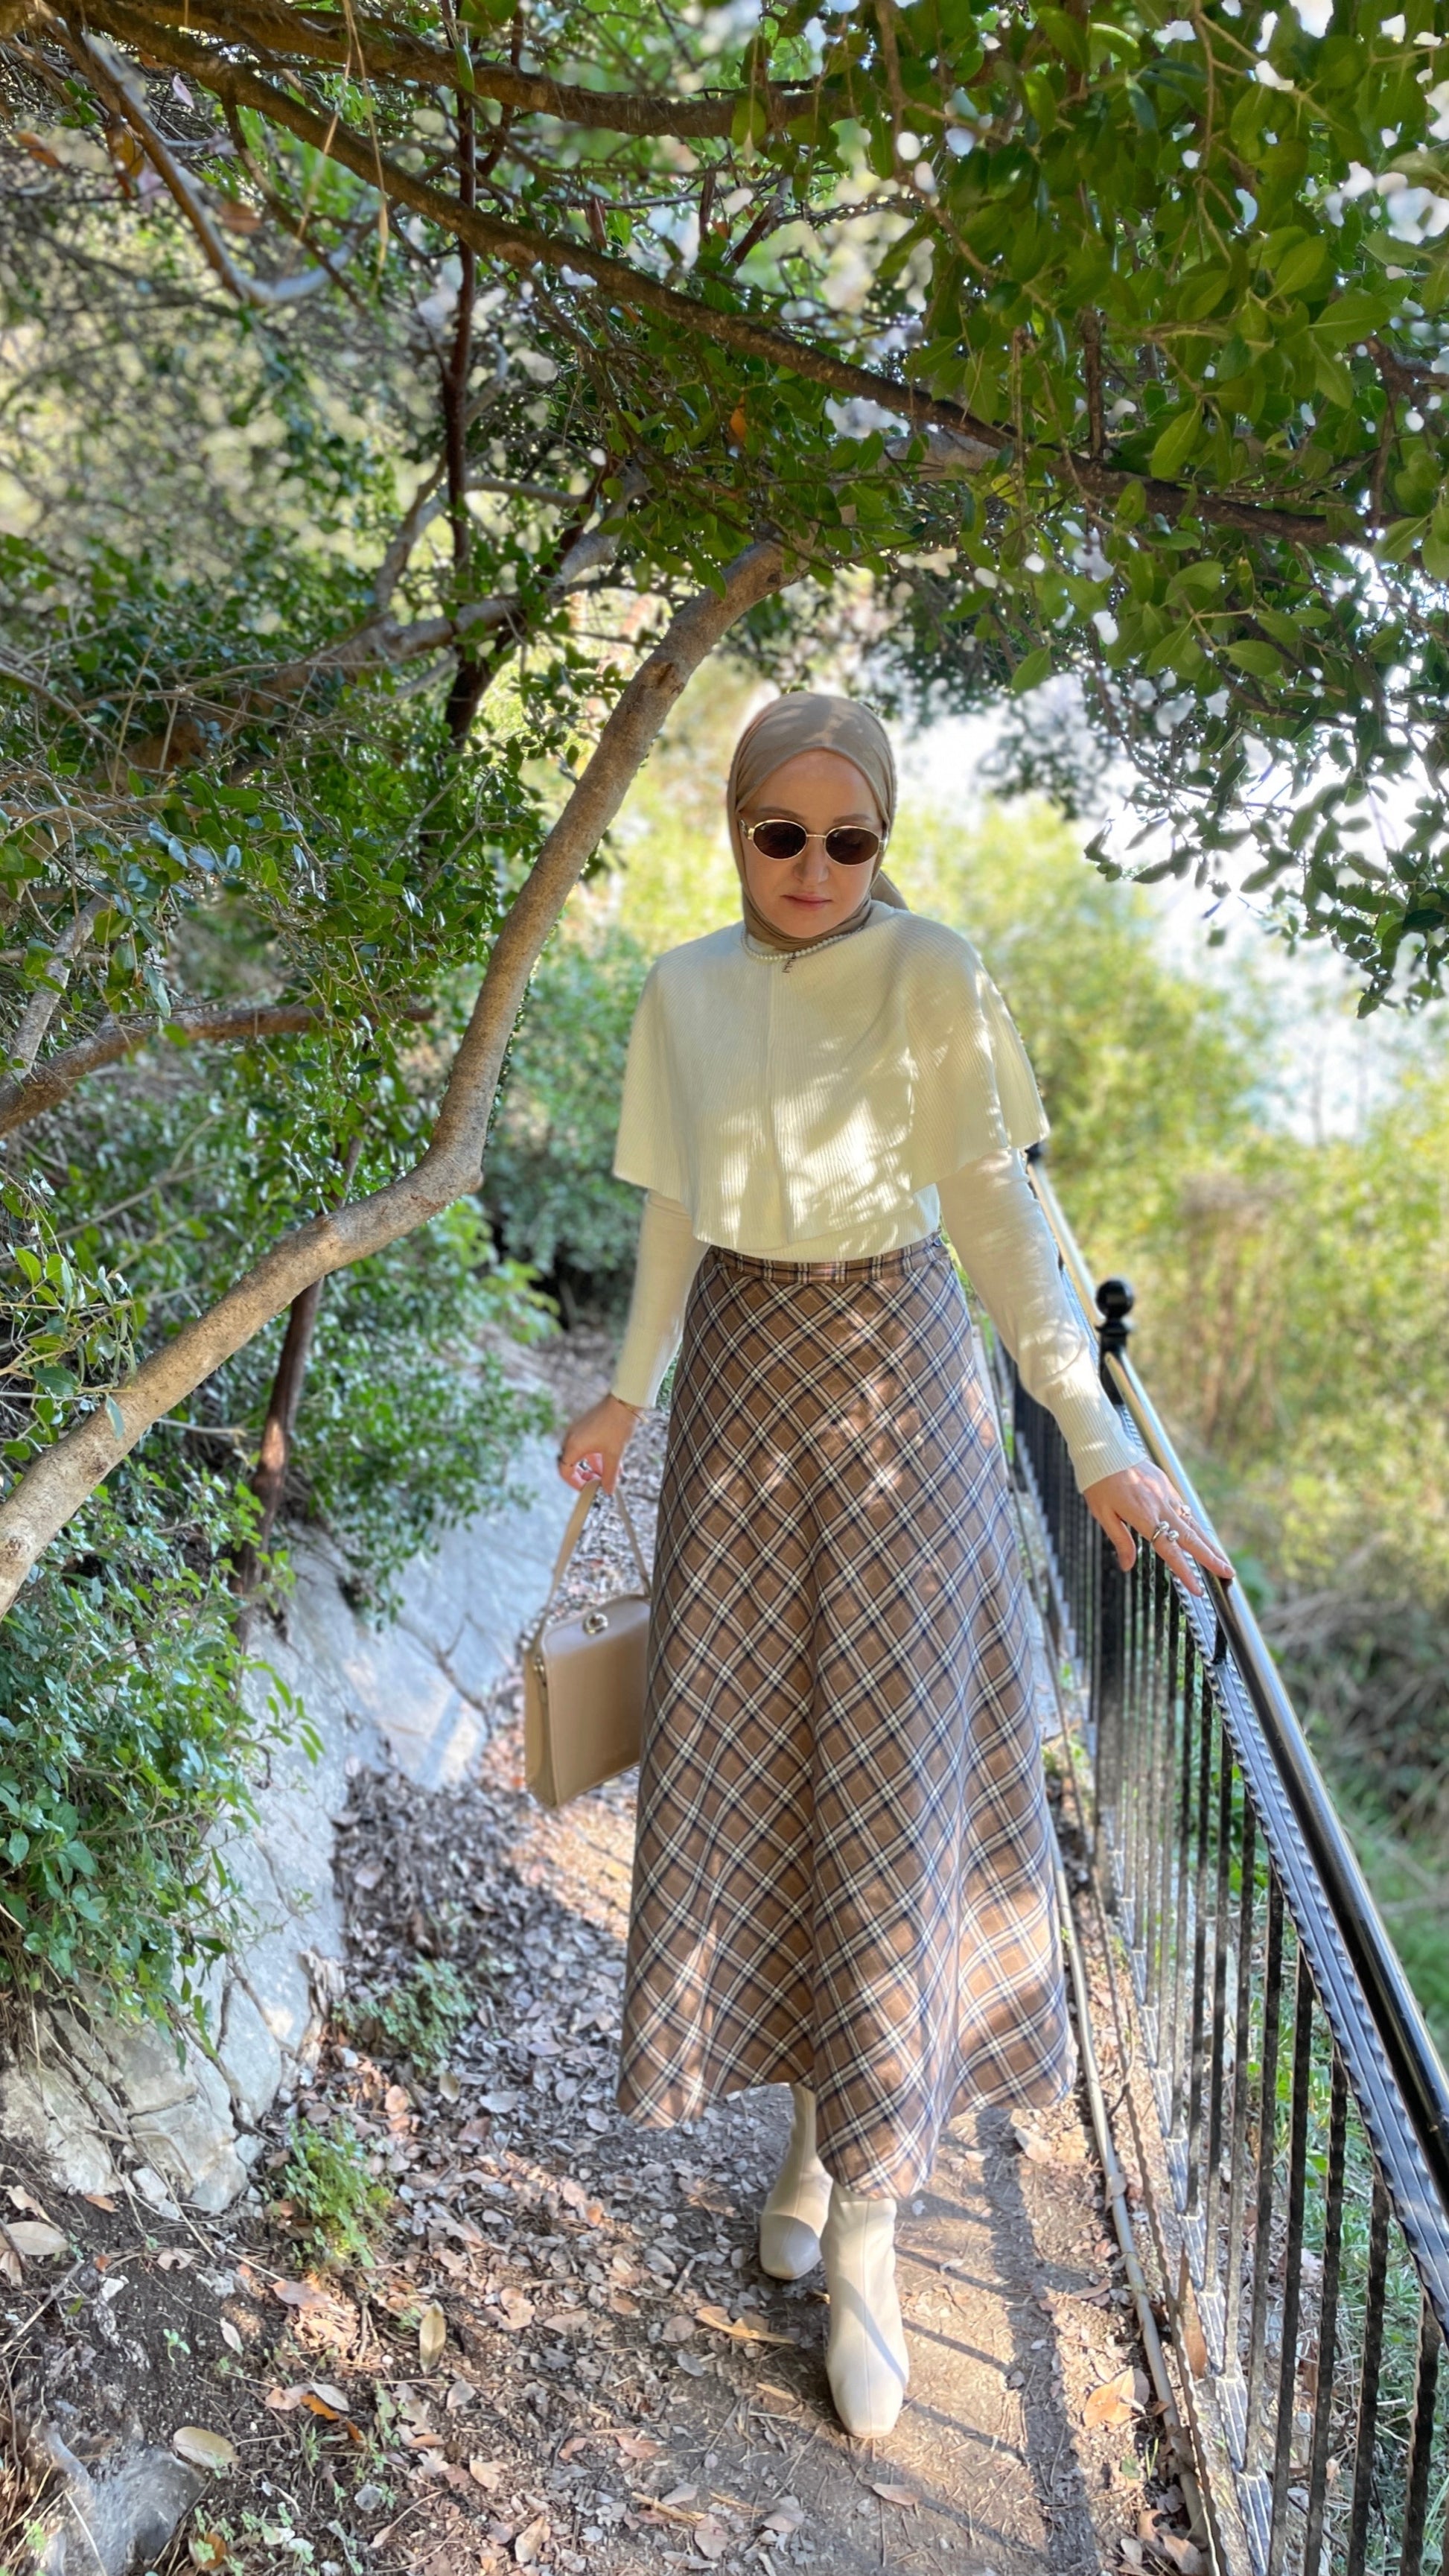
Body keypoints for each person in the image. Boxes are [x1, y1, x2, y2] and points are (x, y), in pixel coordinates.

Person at [556, 693, 1230, 2442]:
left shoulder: (934, 971)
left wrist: (1093, 1436)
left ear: (884, 840)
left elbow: (995, 1210)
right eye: (779, 832)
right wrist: (625, 1387)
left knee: (889, 1770)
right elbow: (673, 1210)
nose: (812, 865)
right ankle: (803, 2128)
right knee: (767, 1755)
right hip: (738, 1378)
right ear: (735, 828)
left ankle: (868, 2222)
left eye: (847, 837)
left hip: (900, 1389)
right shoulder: (683, 989)